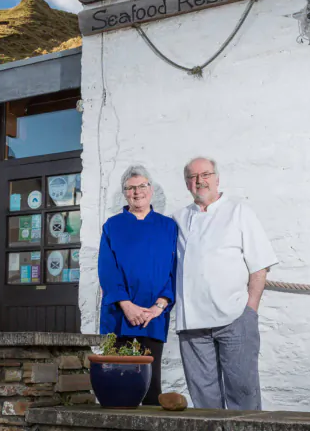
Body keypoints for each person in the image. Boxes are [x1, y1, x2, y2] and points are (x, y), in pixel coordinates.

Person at [174, 157, 278, 411]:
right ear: (187, 184)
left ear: (217, 178)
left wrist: (249, 310)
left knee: (243, 397)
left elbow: (260, 265)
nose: (200, 181)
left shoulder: (239, 211)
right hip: (193, 325)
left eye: (205, 174)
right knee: (204, 403)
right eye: (193, 177)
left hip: (235, 319)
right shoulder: (177, 219)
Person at [98, 165, 177, 406]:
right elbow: (107, 270)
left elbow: (175, 270)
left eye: (142, 186)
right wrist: (127, 306)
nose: (137, 192)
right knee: (117, 386)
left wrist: (158, 307)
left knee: (151, 388)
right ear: (124, 193)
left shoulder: (168, 226)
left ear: (150, 190)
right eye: (130, 188)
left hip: (153, 318)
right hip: (119, 317)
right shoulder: (112, 225)